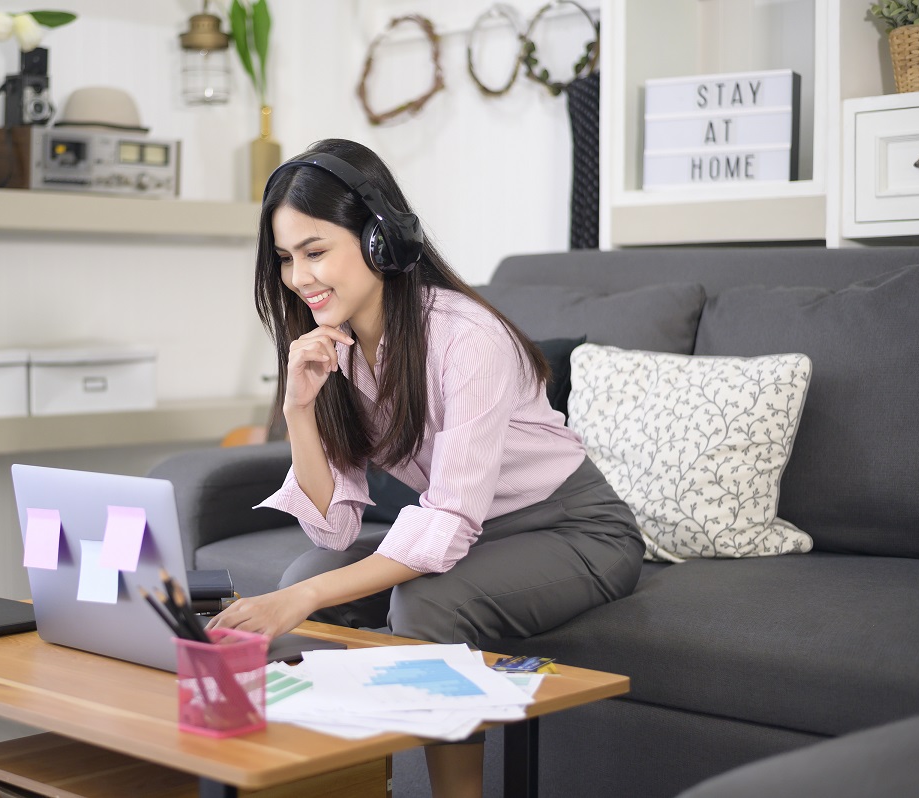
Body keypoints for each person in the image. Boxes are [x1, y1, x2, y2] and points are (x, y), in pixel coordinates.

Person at [208, 138, 644, 798]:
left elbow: (446, 525)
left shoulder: (466, 338)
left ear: (381, 237)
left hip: (577, 529)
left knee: (424, 598)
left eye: (316, 251)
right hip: (479, 531)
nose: (299, 277)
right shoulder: (333, 348)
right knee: (310, 576)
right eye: (286, 259)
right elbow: (332, 531)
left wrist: (297, 601)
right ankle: (346, 783)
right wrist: (299, 410)